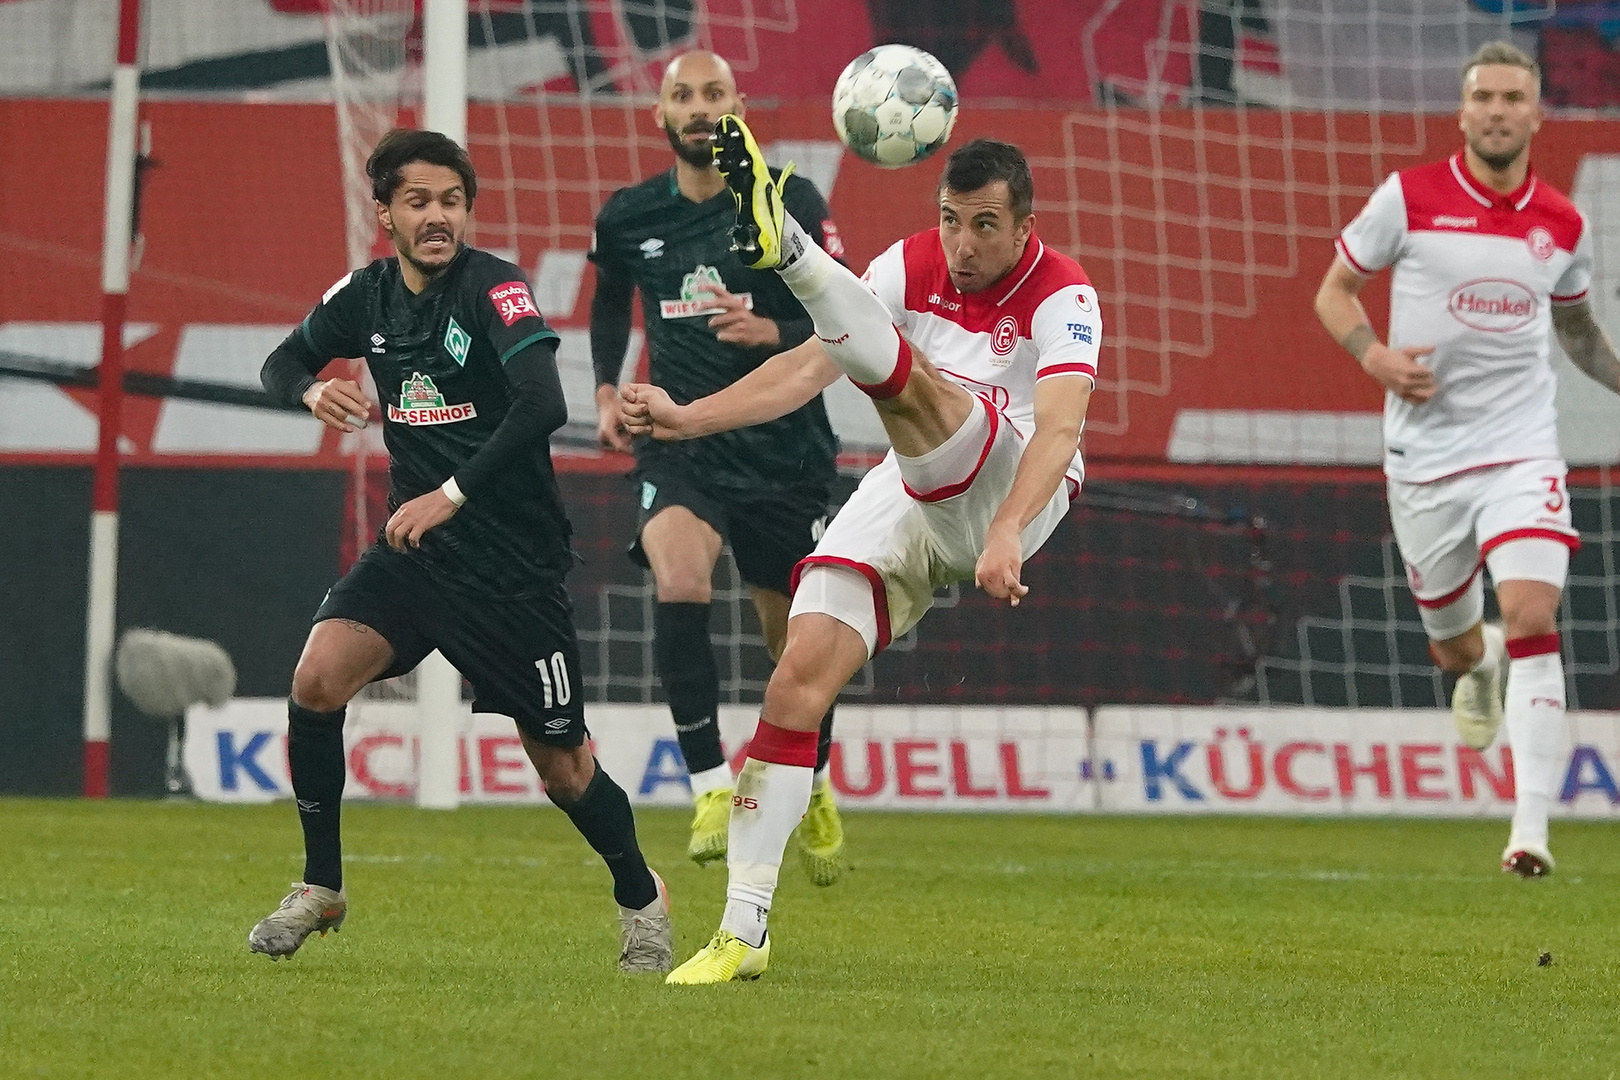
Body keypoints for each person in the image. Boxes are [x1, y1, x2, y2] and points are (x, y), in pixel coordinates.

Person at [624, 118, 1101, 983]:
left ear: (1026, 227)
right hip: (911, 484)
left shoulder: (1064, 293)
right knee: (796, 675)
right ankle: (743, 931)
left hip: (1016, 481)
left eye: (985, 225)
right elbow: (812, 366)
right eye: (952, 218)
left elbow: (1061, 427)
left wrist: (1005, 531)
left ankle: (795, 253)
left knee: (913, 385)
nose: (961, 242)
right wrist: (688, 419)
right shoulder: (907, 262)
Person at [252, 128, 672, 972]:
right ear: (386, 213)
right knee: (316, 678)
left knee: (562, 769)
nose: (438, 216)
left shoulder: (497, 289)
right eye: (418, 201)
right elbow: (282, 359)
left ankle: (642, 899)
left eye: (451, 200)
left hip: (511, 569)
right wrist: (308, 388)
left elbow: (543, 405)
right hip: (419, 560)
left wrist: (448, 496)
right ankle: (322, 884)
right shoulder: (364, 296)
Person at [1314, 41, 1619, 878]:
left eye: (1511, 97)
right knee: (1456, 648)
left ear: (1535, 112)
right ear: (1462, 111)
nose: (1495, 109)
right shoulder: (1407, 197)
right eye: (1482, 95)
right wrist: (1373, 357)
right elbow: (1333, 291)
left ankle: (1529, 831)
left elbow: (1579, 334)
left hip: (1521, 448)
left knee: (1532, 613)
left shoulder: (1563, 223)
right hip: (1423, 459)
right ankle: (1473, 663)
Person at [589, 50, 847, 883]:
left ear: (738, 108)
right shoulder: (627, 216)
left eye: (713, 94)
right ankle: (707, 786)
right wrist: (603, 389)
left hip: (783, 451)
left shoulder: (787, 199)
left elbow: (848, 315)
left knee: (794, 644)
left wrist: (770, 330)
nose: (698, 108)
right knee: (680, 578)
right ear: (660, 117)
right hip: (680, 441)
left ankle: (812, 783)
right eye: (682, 96)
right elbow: (605, 303)